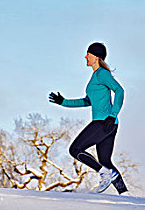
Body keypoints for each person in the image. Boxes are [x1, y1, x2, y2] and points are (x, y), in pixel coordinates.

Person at [49, 42, 128, 194]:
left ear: (96, 57)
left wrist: (112, 115)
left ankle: (103, 173)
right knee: (105, 161)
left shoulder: (102, 74)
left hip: (104, 122)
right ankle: (124, 193)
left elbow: (120, 91)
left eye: (88, 54)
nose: (85, 56)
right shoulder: (95, 76)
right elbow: (88, 101)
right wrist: (63, 102)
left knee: (75, 149)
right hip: (109, 124)